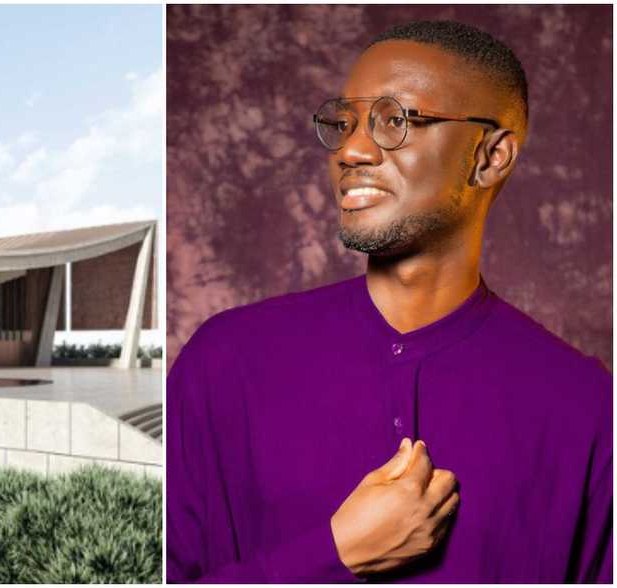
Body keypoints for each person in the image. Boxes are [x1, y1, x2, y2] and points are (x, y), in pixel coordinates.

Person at [166, 20, 612, 583]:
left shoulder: (588, 408)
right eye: (345, 122)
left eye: (395, 120)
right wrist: (335, 555)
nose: (350, 149)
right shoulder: (226, 361)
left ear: (491, 156)